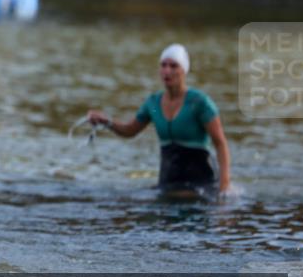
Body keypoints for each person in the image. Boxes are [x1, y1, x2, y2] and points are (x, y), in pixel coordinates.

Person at [88, 44, 231, 194]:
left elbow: (220, 143)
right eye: (163, 65)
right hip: (168, 184)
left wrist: (224, 186)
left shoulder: (199, 103)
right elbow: (130, 130)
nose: (167, 71)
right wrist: (106, 122)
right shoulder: (154, 105)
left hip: (201, 184)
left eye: (173, 66)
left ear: (184, 70)